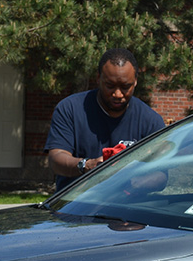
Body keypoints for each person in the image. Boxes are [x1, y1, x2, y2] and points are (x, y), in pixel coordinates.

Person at [44, 48, 166, 191]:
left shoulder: (150, 120)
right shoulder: (70, 109)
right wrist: (87, 166)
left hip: (124, 207)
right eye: (110, 86)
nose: (118, 94)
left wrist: (129, 182)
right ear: (98, 78)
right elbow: (56, 158)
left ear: (135, 82)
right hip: (75, 205)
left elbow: (161, 175)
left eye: (126, 87)